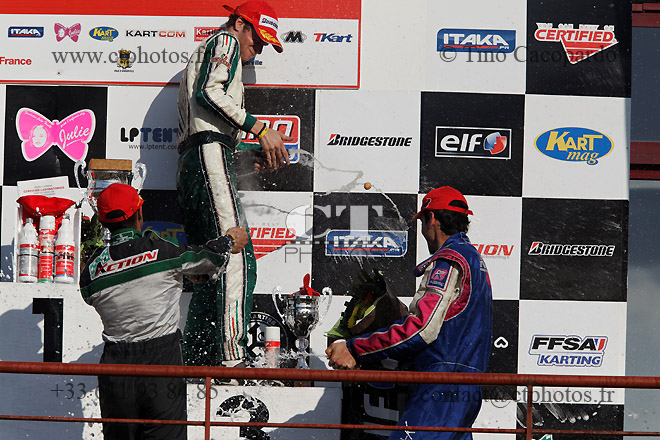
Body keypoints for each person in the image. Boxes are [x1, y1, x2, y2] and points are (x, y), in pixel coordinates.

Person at [79, 183, 248, 440]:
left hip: (115, 368)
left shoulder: (91, 271)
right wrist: (229, 240)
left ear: (103, 221)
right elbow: (208, 257)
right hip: (161, 362)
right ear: (139, 214)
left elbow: (94, 293)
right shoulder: (162, 251)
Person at [326, 186, 493, 440]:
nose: (423, 231)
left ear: (432, 219)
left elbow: (422, 329)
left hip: (441, 388)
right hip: (466, 388)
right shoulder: (474, 260)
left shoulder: (448, 261)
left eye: (422, 222)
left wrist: (355, 348)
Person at [176, 0, 291, 367]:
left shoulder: (215, 48)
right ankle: (230, 358)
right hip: (207, 154)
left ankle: (200, 359)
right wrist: (260, 129)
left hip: (199, 158)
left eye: (265, 44)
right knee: (237, 258)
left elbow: (206, 120)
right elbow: (209, 93)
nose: (258, 49)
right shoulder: (224, 40)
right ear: (240, 23)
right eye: (258, 38)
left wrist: (244, 155)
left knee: (209, 265)